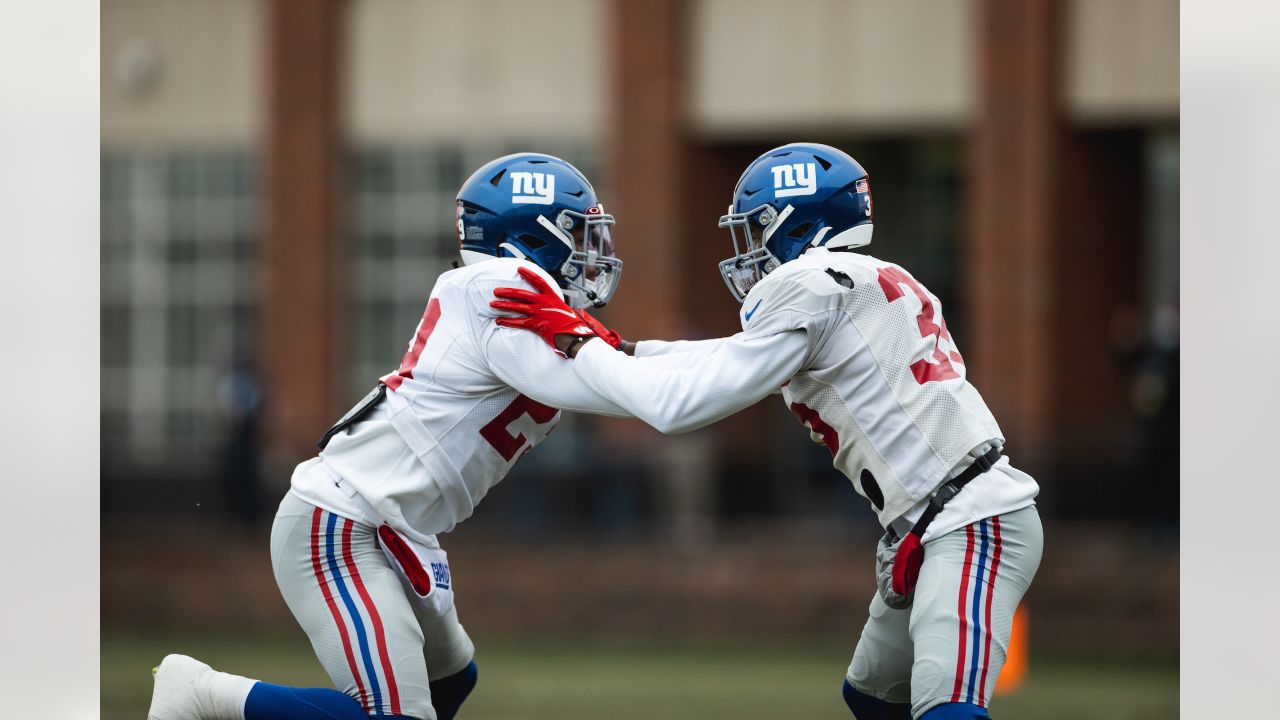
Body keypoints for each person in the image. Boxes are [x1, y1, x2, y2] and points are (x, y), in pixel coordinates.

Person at [489, 143, 1043, 720]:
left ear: (798, 223)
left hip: (969, 519)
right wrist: (620, 348)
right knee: (874, 697)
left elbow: (677, 407)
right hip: (931, 519)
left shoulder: (810, 283)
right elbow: (726, 358)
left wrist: (577, 346)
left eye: (758, 229)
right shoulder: (865, 278)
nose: (749, 251)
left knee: (946, 710)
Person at [148, 153, 633, 720]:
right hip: (345, 518)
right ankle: (206, 695)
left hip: (395, 523)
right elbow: (640, 390)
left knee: (452, 677)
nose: (593, 252)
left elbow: (618, 369)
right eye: (578, 234)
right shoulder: (495, 297)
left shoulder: (524, 315)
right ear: (528, 239)